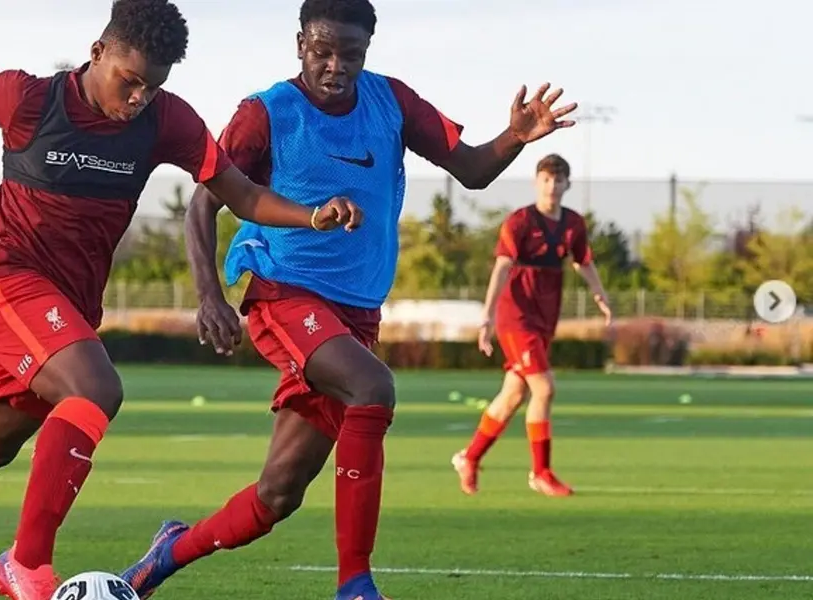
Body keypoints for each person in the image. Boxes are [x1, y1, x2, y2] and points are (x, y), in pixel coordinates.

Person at [0, 1, 362, 599]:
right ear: (97, 52)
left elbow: (241, 195)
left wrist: (311, 215)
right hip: (6, 283)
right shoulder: (26, 98)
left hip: (70, 311)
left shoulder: (168, 122)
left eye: (151, 86)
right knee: (97, 390)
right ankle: (27, 563)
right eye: (129, 80)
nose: (137, 97)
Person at [116, 0, 578, 598]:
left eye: (350, 55)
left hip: (355, 314)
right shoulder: (266, 113)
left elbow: (471, 170)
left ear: (367, 52)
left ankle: (164, 555)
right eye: (322, 50)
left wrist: (516, 135)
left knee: (275, 497)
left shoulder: (391, 102)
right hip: (285, 292)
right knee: (374, 387)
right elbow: (205, 202)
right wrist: (209, 296)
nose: (335, 65)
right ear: (300, 42)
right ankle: (355, 584)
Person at [452, 153, 612, 497]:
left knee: (513, 395)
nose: (552, 186)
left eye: (558, 180)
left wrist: (599, 293)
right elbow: (502, 268)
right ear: (536, 182)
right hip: (516, 317)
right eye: (546, 179)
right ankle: (541, 472)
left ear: (567, 184)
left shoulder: (573, 224)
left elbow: (583, 262)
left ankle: (470, 457)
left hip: (544, 316)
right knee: (544, 388)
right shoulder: (519, 222)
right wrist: (487, 316)